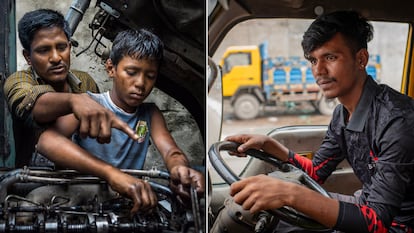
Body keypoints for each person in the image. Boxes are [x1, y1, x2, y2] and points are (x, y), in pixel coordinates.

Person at [225, 10, 414, 233]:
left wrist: (290, 194)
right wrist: (269, 145)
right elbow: (316, 171)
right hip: (367, 206)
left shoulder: (398, 121)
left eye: (330, 58)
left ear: (361, 59)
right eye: (313, 60)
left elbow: (376, 222)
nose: (318, 71)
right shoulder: (342, 115)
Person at [36, 29, 205, 213]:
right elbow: (46, 142)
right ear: (111, 69)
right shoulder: (90, 104)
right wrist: (111, 173)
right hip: (82, 202)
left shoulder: (149, 115)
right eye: (131, 72)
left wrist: (179, 167)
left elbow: (171, 151)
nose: (140, 83)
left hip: (125, 204)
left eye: (150, 76)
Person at [3, 8, 137, 168]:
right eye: (43, 50)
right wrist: (75, 101)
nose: (56, 58)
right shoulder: (17, 81)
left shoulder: (85, 81)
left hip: (82, 177)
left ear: (69, 47)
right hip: (34, 181)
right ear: (28, 57)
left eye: (61, 47)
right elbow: (33, 103)